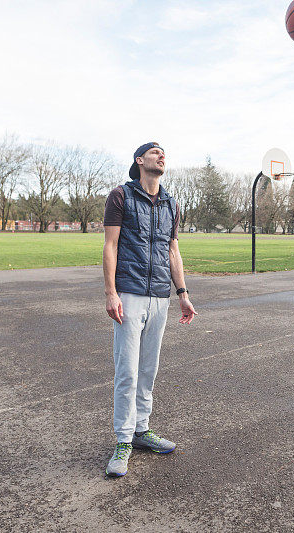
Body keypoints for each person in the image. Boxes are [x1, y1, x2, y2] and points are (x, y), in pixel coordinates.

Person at [103, 141, 198, 477]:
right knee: (126, 371)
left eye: (164, 153)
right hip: (128, 293)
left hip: (160, 296)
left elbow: (173, 251)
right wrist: (111, 292)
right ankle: (123, 440)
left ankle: (141, 431)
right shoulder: (121, 196)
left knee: (148, 370)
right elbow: (110, 245)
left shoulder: (171, 203)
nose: (162, 155)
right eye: (155, 152)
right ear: (140, 160)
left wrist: (182, 293)